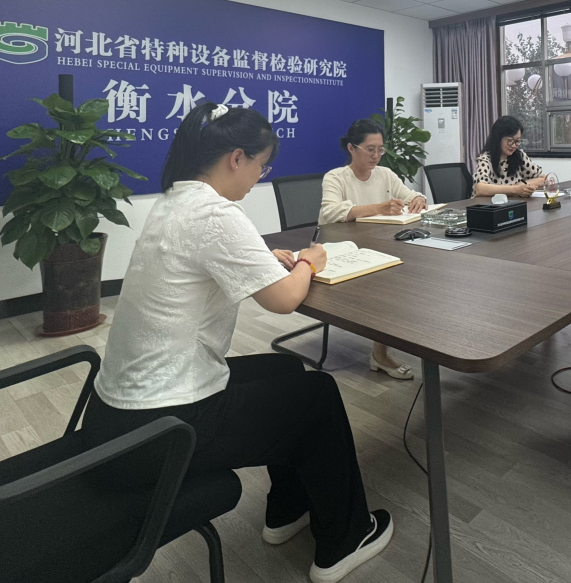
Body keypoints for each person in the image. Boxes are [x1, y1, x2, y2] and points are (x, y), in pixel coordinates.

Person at [84, 103, 392, 583]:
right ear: (236, 158)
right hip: (160, 431)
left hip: (116, 417)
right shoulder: (215, 213)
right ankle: (344, 539)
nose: (258, 178)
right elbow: (284, 300)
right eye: (261, 166)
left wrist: (263, 257)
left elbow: (205, 256)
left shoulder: (176, 200)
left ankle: (287, 509)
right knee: (319, 395)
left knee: (285, 371)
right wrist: (309, 261)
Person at [320, 118, 426, 380]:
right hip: (347, 250)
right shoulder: (336, 177)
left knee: (413, 272)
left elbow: (410, 194)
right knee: (390, 284)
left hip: (380, 246)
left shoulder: (385, 174)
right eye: (370, 149)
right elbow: (330, 213)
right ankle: (380, 354)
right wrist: (378, 208)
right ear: (351, 148)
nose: (376, 156)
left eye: (380, 149)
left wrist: (418, 198)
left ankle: (398, 341)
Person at [471, 115, 547, 198]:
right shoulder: (485, 159)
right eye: (510, 141)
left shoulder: (519, 156)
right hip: (488, 205)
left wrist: (521, 184)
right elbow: (480, 189)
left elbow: (544, 179)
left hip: (512, 203)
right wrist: (515, 189)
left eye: (517, 141)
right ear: (498, 139)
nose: (514, 145)